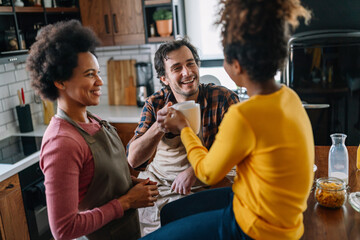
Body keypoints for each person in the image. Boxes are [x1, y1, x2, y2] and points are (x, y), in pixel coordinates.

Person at [141, 0, 314, 239]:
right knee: (171, 212)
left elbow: (207, 173)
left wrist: (184, 128)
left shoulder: (244, 115)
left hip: (253, 227)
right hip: (281, 218)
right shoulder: (289, 97)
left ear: (236, 65)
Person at [25, 20, 159, 240]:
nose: (100, 81)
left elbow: (96, 183)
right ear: (60, 81)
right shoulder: (62, 143)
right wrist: (126, 202)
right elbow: (63, 230)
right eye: (89, 74)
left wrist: (133, 185)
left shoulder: (93, 120)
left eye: (98, 72)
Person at [126, 38, 239, 235]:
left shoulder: (222, 98)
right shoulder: (155, 103)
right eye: (177, 68)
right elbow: (134, 159)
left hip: (207, 183)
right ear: (164, 79)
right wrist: (158, 127)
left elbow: (237, 149)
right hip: (160, 184)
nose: (187, 73)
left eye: (190, 64)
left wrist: (195, 170)